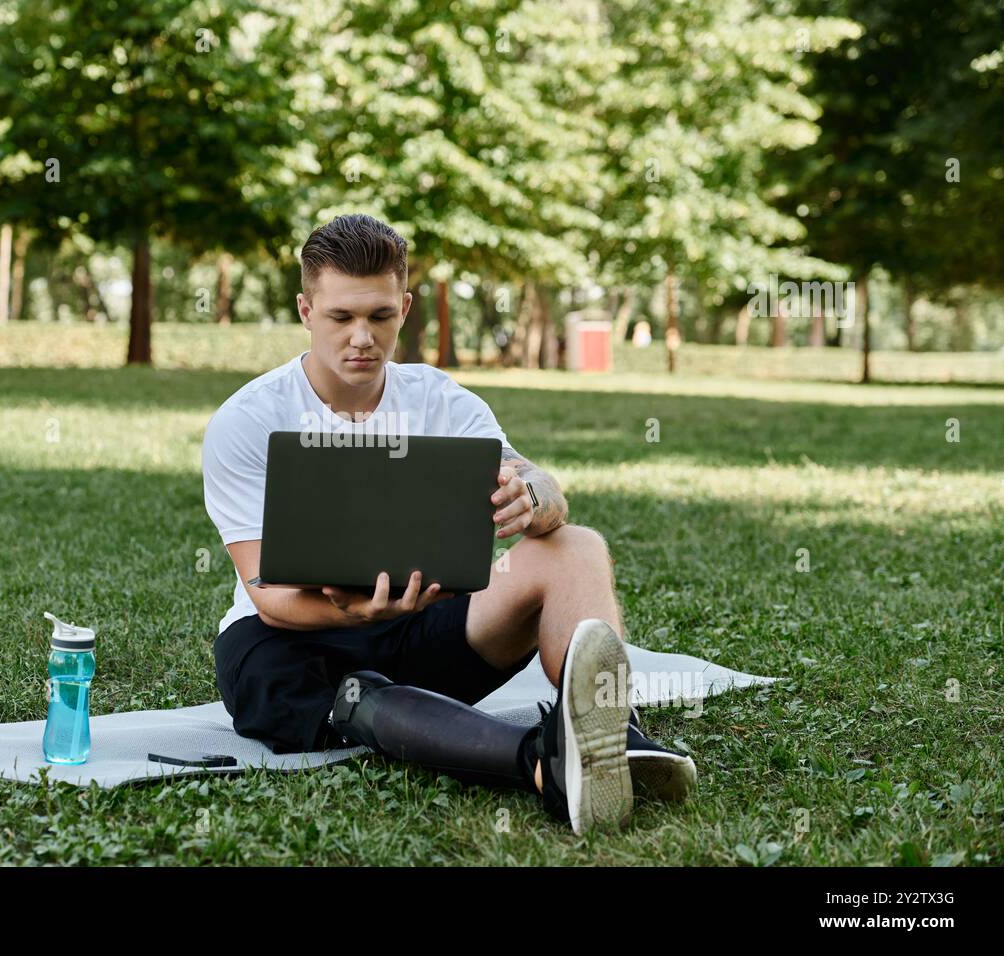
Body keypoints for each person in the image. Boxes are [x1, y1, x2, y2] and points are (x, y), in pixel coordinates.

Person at [202, 214, 696, 834]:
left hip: (425, 619)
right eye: (341, 317)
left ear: (406, 308)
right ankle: (544, 764)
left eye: (380, 316)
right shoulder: (247, 420)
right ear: (305, 310)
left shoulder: (440, 399)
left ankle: (616, 738)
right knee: (354, 695)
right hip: (289, 645)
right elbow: (268, 598)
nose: (362, 337)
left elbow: (536, 480)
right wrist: (358, 614)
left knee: (573, 545)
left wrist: (534, 497)